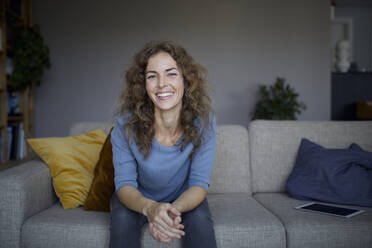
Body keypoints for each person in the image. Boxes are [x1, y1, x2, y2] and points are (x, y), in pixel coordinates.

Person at [110, 40, 217, 248]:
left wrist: (171, 211)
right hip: (137, 197)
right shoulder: (125, 124)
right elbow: (125, 185)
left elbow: (199, 184)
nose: (161, 84)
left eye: (171, 73)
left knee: (200, 222)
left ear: (185, 81)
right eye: (152, 76)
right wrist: (150, 209)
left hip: (184, 197)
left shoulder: (204, 122)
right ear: (143, 85)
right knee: (122, 220)